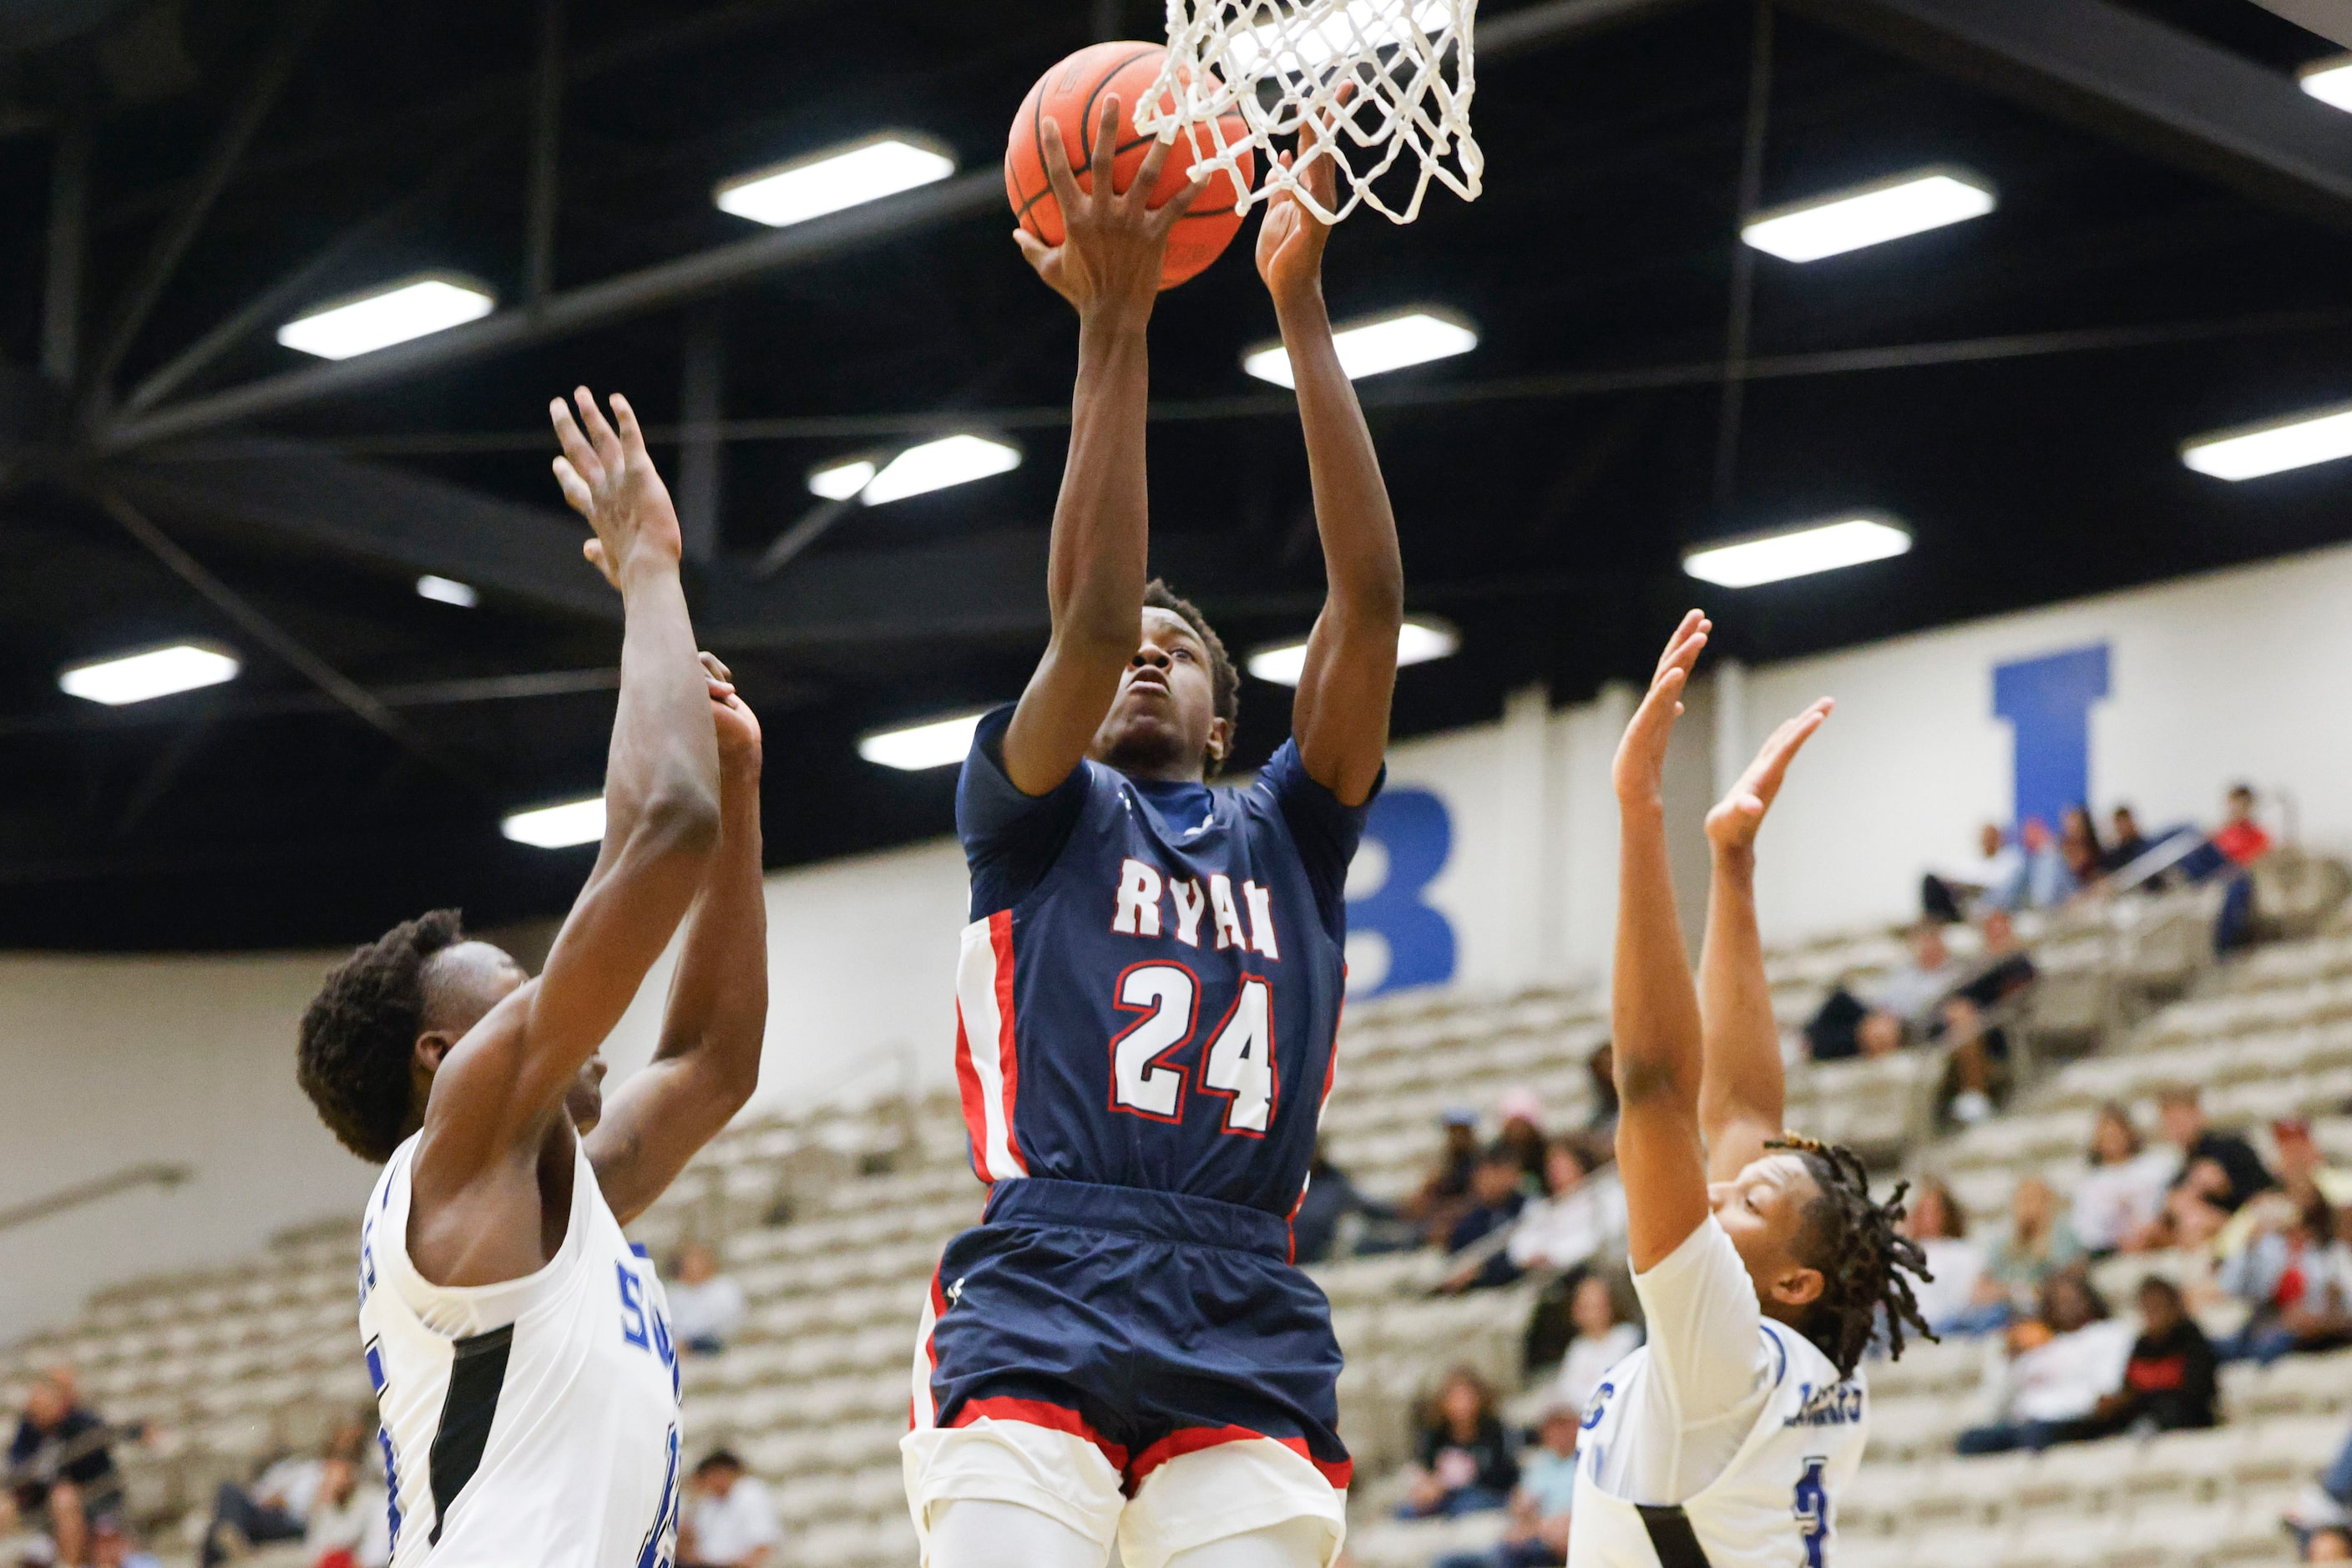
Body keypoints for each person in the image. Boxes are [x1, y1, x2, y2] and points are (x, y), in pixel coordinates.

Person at [903, 107, 1402, 1568]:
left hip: (1245, 1304)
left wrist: (1299, 307)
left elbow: (1366, 603)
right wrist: (1109, 330)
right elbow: (1090, 620)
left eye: (1180, 651)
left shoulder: (1292, 834)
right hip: (1042, 1270)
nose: (1144, 657)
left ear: (1225, 717)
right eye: (1140, 642)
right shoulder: (1033, 805)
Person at [295, 390, 772, 1565]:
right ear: (444, 1062)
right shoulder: (455, 1153)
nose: (561, 999)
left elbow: (711, 1065)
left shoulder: (550, 1199)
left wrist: (744, 787)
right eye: (516, 987)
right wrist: (651, 571)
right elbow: (661, 827)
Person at [1571, 612, 1930, 1568]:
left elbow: (1653, 1091)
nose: (1718, 1182)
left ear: (1797, 1282)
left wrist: (1639, 810)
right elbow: (1738, 1114)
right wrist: (1731, 863)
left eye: (1748, 1199)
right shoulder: (1784, 1358)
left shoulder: (1723, 1356)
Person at [1953, 1272, 2136, 1454]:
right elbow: (1997, 1407)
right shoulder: (2039, 1346)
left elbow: (2109, 1391)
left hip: (2074, 1420)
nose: (2067, 1307)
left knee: (2036, 1435)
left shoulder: (2109, 1333)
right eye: (2059, 1301)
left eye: (2073, 1299)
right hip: (2024, 1424)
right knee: (1969, 1441)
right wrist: (2007, 1361)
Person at [202, 1419, 369, 1567]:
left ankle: (233, 1534)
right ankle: (232, 1536)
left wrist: (288, 1501)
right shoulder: (305, 1468)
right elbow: (262, 1493)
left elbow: (326, 1510)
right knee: (218, 1527)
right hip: (267, 1511)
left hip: (295, 1521)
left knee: (227, 1503)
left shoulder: (346, 1474)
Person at [1433, 1402, 1581, 1568]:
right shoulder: (1540, 1464)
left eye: (1565, 1426)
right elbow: (1521, 1505)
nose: (1559, 1434)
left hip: (1560, 1540)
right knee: (1447, 1562)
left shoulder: (1587, 1465)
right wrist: (1524, 1518)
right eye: (1553, 1427)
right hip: (1529, 1536)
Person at [8, 1371, 128, 1567]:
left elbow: (100, 1455)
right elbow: (17, 1465)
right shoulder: (29, 1431)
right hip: (42, 1507)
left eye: (43, 1407)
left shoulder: (78, 1422)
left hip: (93, 1501)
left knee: (64, 1497)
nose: (37, 1415)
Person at [2218, 1193, 2352, 1364]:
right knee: (2224, 1347)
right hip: (2265, 1318)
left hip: (2304, 1328)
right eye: (2287, 1230)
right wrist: (2250, 1247)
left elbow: (2344, 1303)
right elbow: (2231, 1287)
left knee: (2264, 1350)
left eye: (2299, 1227)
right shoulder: (2269, 1251)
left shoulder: (2330, 1258)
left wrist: (2317, 1316)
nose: (2293, 1234)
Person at [1398, 1370, 1518, 1520]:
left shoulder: (1495, 1431)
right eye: (1455, 1399)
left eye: (1466, 1398)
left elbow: (1504, 1474)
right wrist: (1430, 1486)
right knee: (1405, 1511)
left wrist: (1468, 1475)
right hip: (1445, 1496)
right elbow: (1425, 1469)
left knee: (1469, 1503)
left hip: (1486, 1494)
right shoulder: (1436, 1435)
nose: (1461, 1406)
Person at [1508, 1140, 1627, 1277]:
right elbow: (1519, 1245)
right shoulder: (1542, 1207)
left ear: (1579, 1163)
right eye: (1551, 1167)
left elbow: (1601, 1236)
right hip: (1551, 1279)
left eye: (1562, 1165)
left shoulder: (1607, 1192)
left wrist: (1554, 1256)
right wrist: (1534, 1256)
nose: (1555, 1173)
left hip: (1598, 1270)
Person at [2071, 1105, 2179, 1256]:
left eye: (2116, 1134)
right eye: (2107, 1136)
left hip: (2162, 1244)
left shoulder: (2158, 1167)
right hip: (2115, 1255)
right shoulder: (2089, 1185)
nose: (2113, 1140)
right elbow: (2087, 1233)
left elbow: (2174, 1205)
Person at [2157, 1085, 2276, 1212]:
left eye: (2180, 1120)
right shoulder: (2184, 1168)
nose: (2177, 1128)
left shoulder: (2232, 1148)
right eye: (2170, 1123)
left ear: (2198, 1116)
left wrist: (2225, 1186)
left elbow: (2264, 1191)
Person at [1439, 1146, 1533, 1293]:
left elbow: (1523, 1259)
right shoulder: (1470, 1221)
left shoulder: (1530, 1209)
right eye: (1481, 1175)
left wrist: (1482, 1272)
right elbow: (1456, 1257)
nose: (1483, 1182)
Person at [1900, 1176, 1986, 1335]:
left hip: (1952, 1322)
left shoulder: (1964, 1252)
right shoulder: (1902, 1252)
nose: (1927, 1218)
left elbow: (1965, 1299)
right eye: (1922, 1211)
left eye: (1933, 1211)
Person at [1550, 1275, 1642, 1419]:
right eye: (1586, 1306)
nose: (1593, 1312)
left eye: (1597, 1305)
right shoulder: (1578, 1348)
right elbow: (1566, 1392)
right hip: (1584, 1419)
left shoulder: (1628, 1338)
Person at [1290, 1145, 1399, 1266]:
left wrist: (1403, 1211)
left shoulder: (1335, 1185)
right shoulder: (1281, 1185)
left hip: (1318, 1254)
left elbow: (1372, 1210)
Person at [678, 1450, 781, 1568]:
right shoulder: (708, 1502)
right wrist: (693, 1503)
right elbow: (686, 1545)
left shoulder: (750, 1494)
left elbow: (763, 1545)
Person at [1407, 1110, 1486, 1247]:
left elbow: (1478, 1200)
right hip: (1439, 1216)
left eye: (1461, 1131)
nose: (1457, 1136)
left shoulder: (1480, 1161)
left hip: (1466, 1221)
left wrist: (1446, 1215)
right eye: (1453, 1131)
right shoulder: (1447, 1161)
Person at [301, 1455, 391, 1568]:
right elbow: (314, 1554)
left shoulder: (375, 1502)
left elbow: (375, 1555)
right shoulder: (327, 1507)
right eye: (327, 1479)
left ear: (351, 1478)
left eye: (336, 1478)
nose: (329, 1484)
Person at [667, 1242, 746, 1356]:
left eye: (698, 1260)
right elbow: (674, 1327)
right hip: (687, 1350)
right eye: (690, 1260)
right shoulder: (673, 1294)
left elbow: (731, 1321)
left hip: (722, 1344)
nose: (695, 1265)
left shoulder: (725, 1287)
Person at [1497, 1090, 1550, 1191]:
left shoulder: (1547, 1152)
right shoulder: (1497, 1154)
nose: (1518, 1131)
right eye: (1514, 1125)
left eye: (1522, 1124)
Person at [2213, 783, 2273, 866]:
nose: (2239, 808)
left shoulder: (2260, 836)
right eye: (2235, 804)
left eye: (2244, 804)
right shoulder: (2218, 835)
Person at [2102, 807, 2150, 876]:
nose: (2123, 828)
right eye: (2119, 825)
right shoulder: (2117, 856)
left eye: (2125, 822)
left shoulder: (2146, 845)